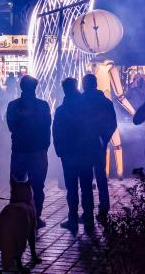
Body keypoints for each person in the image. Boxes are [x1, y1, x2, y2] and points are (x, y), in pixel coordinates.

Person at [5, 75, 51, 228]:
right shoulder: (43, 106)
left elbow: (11, 126)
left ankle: (16, 216)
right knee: (38, 186)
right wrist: (45, 146)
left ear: (21, 87)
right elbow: (46, 127)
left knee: (17, 185)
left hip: (19, 150)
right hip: (37, 150)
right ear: (35, 88)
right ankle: (35, 218)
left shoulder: (13, 106)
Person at [52, 78, 94, 231]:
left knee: (72, 188)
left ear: (64, 89)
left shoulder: (62, 110)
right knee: (86, 187)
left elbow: (56, 131)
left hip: (69, 153)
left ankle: (73, 219)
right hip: (85, 152)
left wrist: (60, 150)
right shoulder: (85, 106)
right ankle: (88, 218)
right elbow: (92, 128)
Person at [81, 73, 117, 222]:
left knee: (85, 178)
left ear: (85, 85)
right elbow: (112, 124)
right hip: (99, 145)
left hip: (84, 145)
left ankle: (88, 211)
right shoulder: (106, 102)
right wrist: (104, 138)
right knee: (101, 177)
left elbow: (76, 123)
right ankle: (104, 208)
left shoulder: (81, 102)